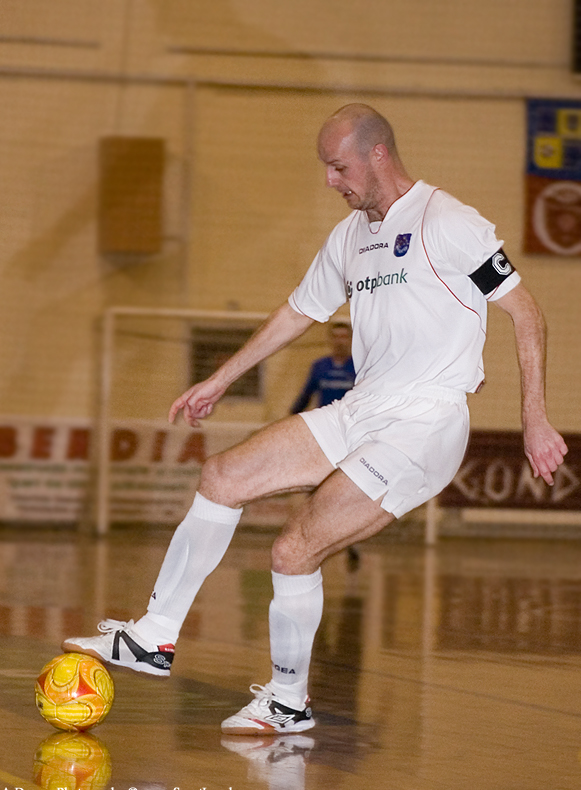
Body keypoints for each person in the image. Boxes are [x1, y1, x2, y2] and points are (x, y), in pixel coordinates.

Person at [63, 103, 568, 736]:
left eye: (338, 167)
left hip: (424, 425)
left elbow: (526, 313)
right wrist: (221, 378)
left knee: (294, 546)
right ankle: (154, 637)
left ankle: (287, 701)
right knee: (222, 475)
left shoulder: (447, 221)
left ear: (377, 154)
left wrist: (535, 419)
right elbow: (297, 312)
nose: (331, 181)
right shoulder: (350, 237)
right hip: (362, 408)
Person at [290, 322, 355, 414]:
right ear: (330, 339)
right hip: (325, 418)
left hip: (350, 418)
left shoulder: (357, 366)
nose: (339, 341)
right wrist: (292, 415)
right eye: (336, 337)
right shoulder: (320, 366)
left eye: (343, 337)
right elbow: (306, 395)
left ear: (351, 339)